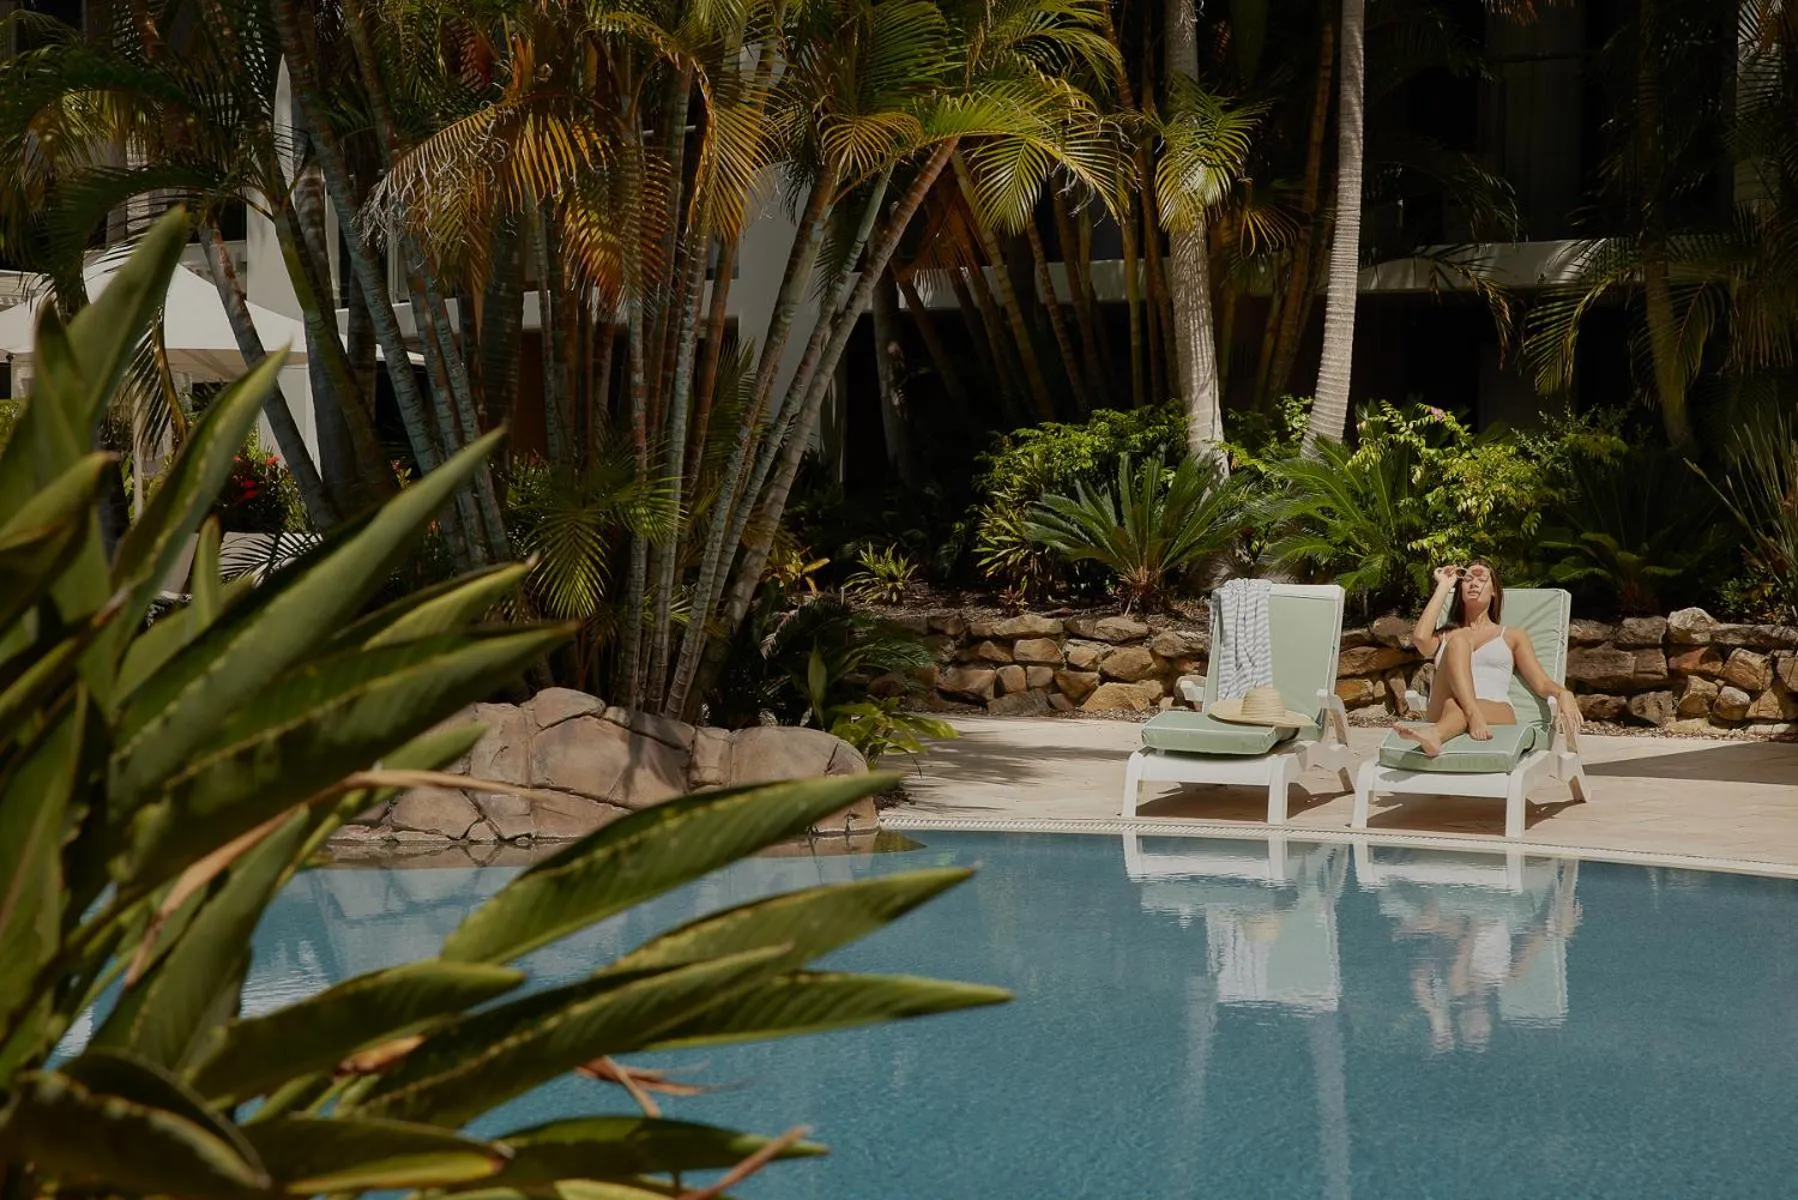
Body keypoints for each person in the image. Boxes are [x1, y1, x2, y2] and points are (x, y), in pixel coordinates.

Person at [1396, 560, 1580, 757]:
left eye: (1482, 579)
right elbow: (1420, 639)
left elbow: (1541, 682)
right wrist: (1444, 585)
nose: (1474, 583)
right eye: (1467, 580)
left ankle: (1436, 734)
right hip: (1443, 706)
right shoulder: (1446, 636)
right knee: (1458, 641)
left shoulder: (1512, 636)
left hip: (1494, 709)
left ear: (1494, 591)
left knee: (1455, 705)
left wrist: (1563, 694)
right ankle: (1470, 713)